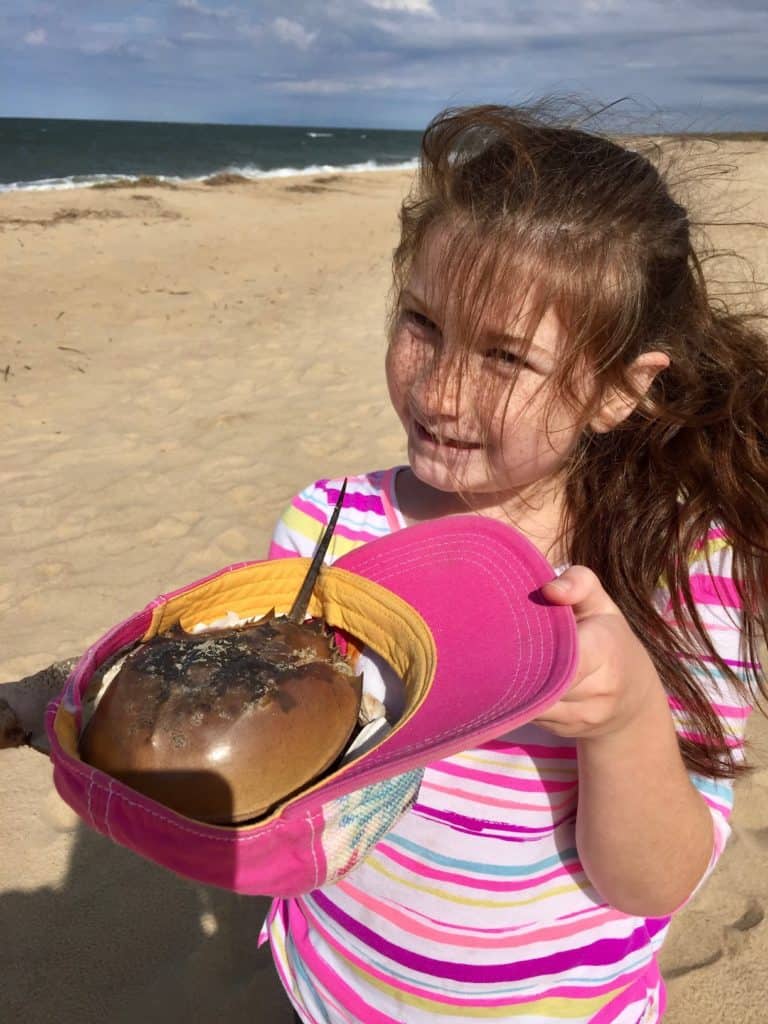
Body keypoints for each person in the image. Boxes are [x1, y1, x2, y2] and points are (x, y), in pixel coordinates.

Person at [261, 104, 768, 1023]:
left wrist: (621, 719)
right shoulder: (325, 526)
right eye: (422, 323)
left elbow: (654, 882)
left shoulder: (676, 571)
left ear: (619, 390)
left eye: (505, 357)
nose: (441, 389)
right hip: (336, 985)